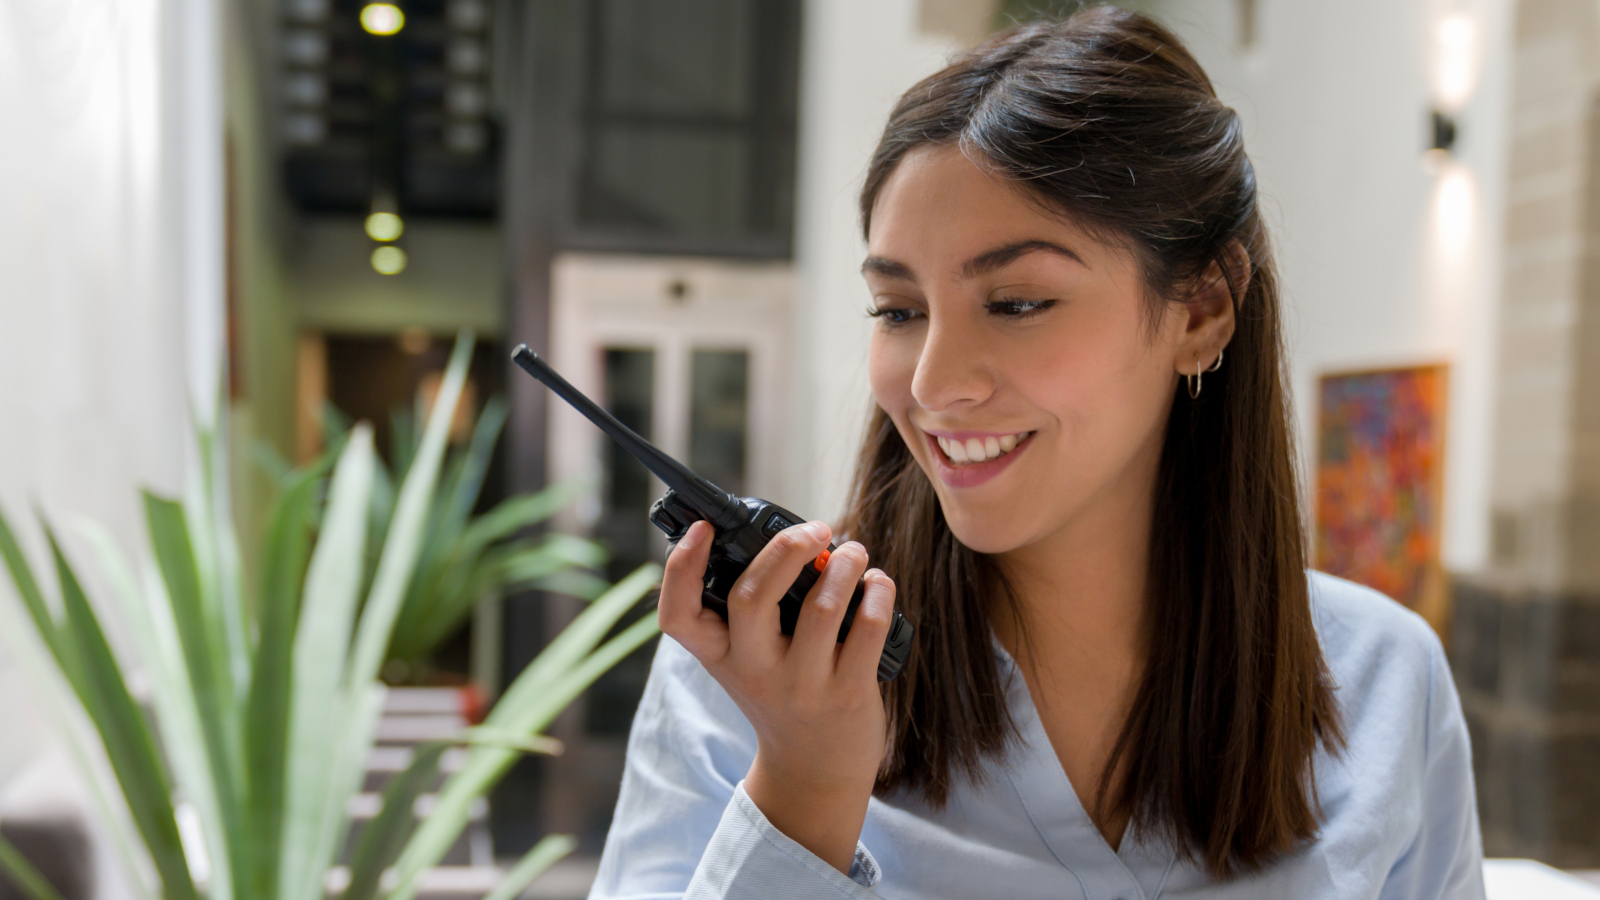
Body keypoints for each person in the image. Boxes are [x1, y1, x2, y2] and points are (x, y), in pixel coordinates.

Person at [588, 7, 1484, 899]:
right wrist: (802, 794)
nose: (934, 384)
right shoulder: (751, 673)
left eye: (1016, 303)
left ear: (1203, 310)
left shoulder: (1384, 684)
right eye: (899, 310)